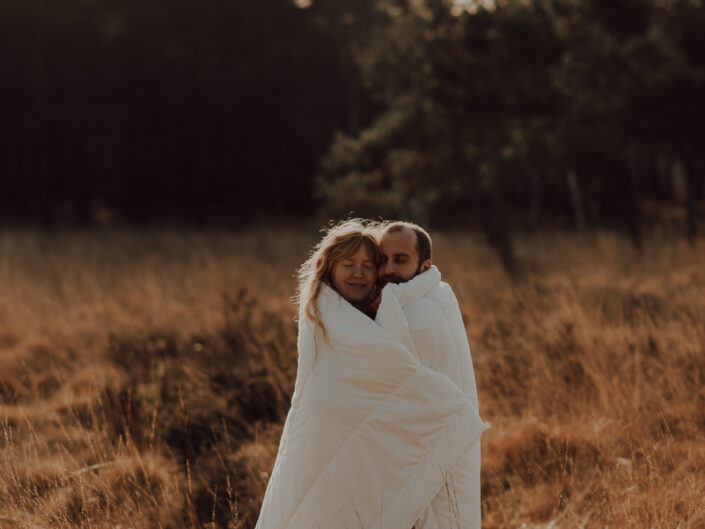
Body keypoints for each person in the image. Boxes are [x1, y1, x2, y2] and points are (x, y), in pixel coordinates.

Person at [255, 219, 485, 529]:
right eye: (350, 264)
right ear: (329, 269)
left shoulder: (417, 312)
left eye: (371, 264)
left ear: (424, 264)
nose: (369, 271)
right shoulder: (329, 317)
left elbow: (405, 392)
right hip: (326, 449)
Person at [375, 221, 482, 529]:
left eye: (401, 259)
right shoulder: (412, 298)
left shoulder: (423, 309)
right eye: (382, 260)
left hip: (436, 452)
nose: (389, 269)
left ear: (425, 265)